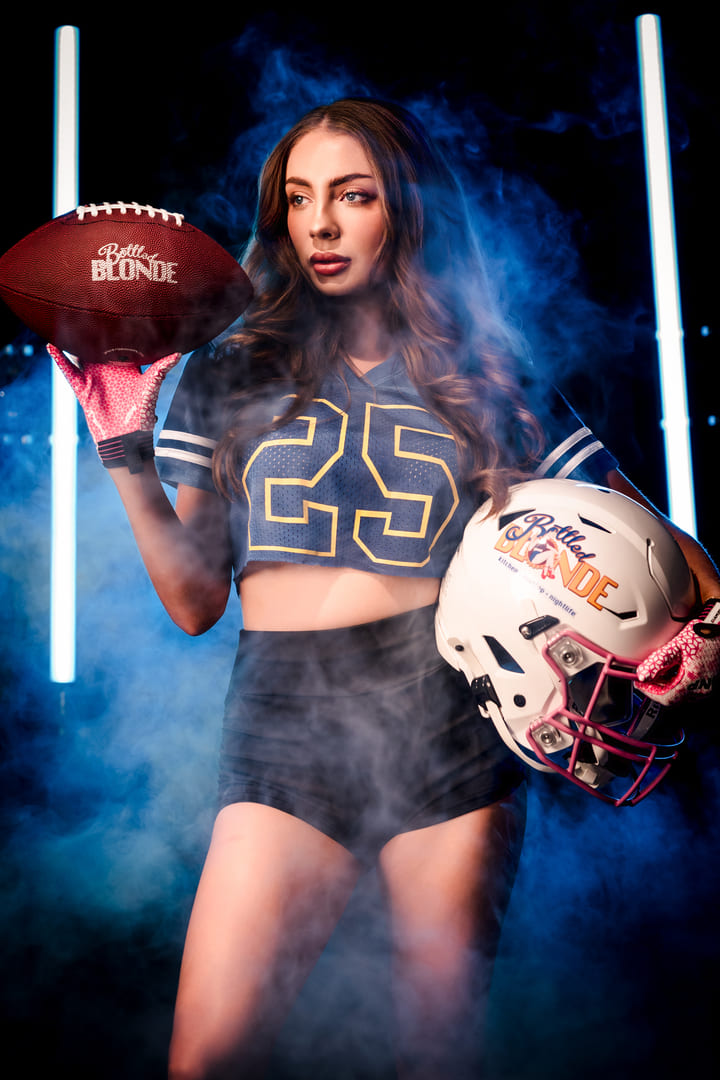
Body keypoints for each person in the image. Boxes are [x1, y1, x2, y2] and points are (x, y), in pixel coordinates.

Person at [50, 98, 720, 1080]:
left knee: (431, 1060)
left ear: (401, 210)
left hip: (445, 728)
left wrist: (685, 645)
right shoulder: (229, 369)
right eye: (298, 198)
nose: (319, 224)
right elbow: (194, 603)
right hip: (282, 725)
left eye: (351, 196)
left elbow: (674, 561)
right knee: (206, 1059)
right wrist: (122, 448)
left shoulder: (491, 376)